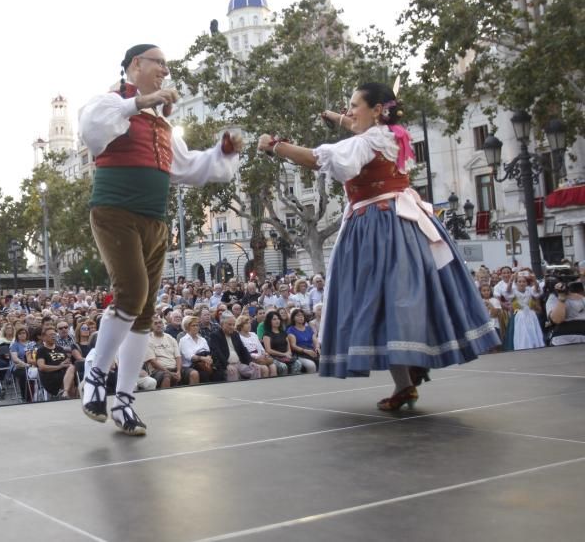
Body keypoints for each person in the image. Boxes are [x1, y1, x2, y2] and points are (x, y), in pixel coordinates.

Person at [257, 81, 499, 410]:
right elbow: (360, 128)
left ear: (376, 110)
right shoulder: (395, 134)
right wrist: (337, 117)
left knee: (379, 301)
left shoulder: (369, 140)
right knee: (403, 298)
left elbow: (321, 159)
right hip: (404, 221)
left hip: (377, 225)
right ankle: (409, 374)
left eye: (355, 105)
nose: (350, 111)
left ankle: (407, 374)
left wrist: (276, 146)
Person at [77, 43, 243, 434]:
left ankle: (125, 402)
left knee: (145, 312)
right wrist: (140, 102)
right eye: (159, 63)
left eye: (167, 65)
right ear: (136, 65)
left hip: (154, 221)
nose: (165, 71)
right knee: (131, 294)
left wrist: (223, 151)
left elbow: (189, 168)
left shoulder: (163, 124)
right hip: (115, 212)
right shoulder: (111, 102)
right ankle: (95, 375)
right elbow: (90, 129)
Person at [145, 317, 197, 388]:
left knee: (194, 373)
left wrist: (178, 371)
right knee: (167, 376)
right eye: (155, 323)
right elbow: (153, 362)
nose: (158, 325)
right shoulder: (148, 340)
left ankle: (193, 397)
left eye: (160, 323)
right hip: (158, 371)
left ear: (163, 325)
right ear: (151, 326)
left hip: (175, 368)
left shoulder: (170, 338)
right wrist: (169, 373)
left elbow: (178, 357)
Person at [178, 315, 214, 383]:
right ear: (187, 327)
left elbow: (208, 352)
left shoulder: (202, 339)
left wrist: (208, 359)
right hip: (189, 366)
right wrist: (203, 359)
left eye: (197, 325)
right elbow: (190, 357)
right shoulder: (183, 340)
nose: (196, 327)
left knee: (217, 371)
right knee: (204, 375)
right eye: (193, 325)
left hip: (204, 364)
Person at [548, 281, 585, 345]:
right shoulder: (553, 298)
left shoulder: (582, 298)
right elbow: (557, 320)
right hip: (562, 338)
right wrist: (562, 298)